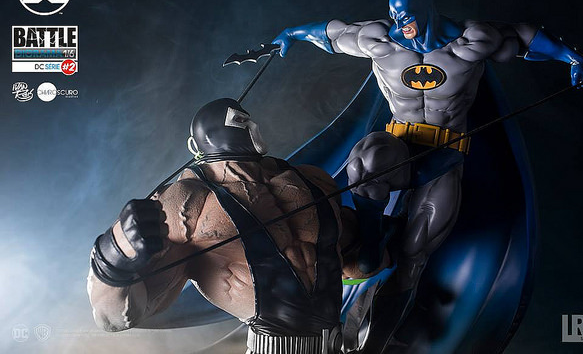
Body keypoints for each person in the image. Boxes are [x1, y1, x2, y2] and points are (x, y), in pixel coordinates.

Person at [271, 0, 583, 352]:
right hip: (399, 145)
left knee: (413, 257)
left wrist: (573, 58)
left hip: (445, 154)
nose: (400, 24)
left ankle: (374, 344)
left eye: (407, 16)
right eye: (395, 16)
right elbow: (330, 33)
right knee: (366, 160)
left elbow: (524, 37)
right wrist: (289, 34)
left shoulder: (472, 40)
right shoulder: (380, 40)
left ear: (427, 10)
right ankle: (372, 241)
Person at [87, 98, 382, 354]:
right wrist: (114, 255)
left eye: (246, 118)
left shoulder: (311, 179)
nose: (250, 125)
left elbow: (357, 265)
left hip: (339, 344)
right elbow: (113, 317)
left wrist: (372, 207)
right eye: (239, 120)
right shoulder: (186, 201)